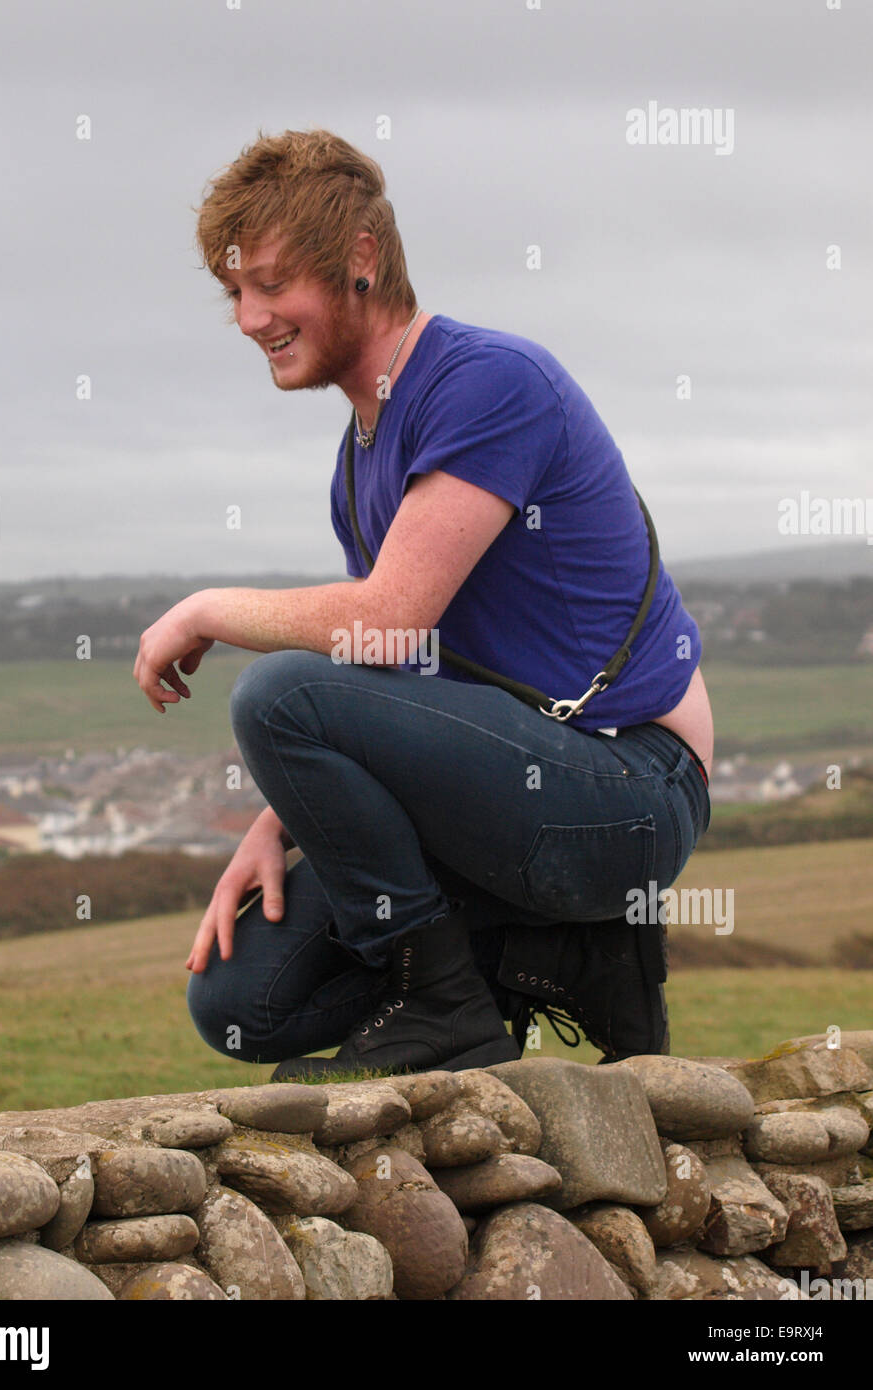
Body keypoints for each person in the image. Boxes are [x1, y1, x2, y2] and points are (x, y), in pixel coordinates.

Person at [132, 128, 713, 1080]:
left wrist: (204, 609)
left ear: (360, 260)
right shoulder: (357, 460)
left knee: (275, 692)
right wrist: (280, 820)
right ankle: (555, 962)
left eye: (271, 285)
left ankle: (443, 1007)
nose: (247, 317)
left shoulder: (487, 381)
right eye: (234, 292)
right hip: (506, 791)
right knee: (240, 1001)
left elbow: (387, 617)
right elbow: (398, 677)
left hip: (630, 792)